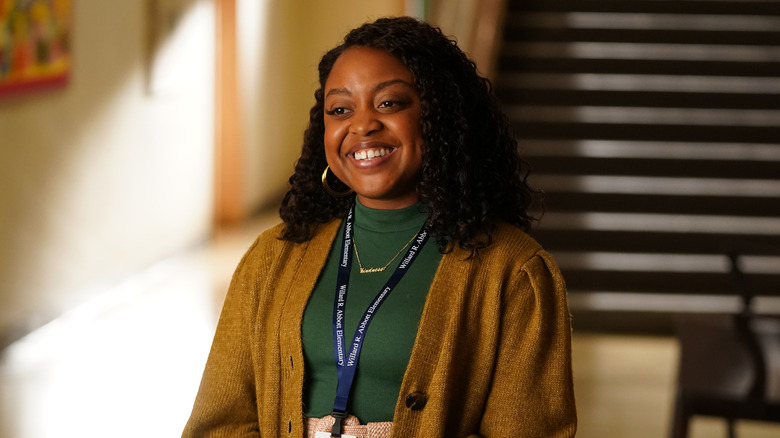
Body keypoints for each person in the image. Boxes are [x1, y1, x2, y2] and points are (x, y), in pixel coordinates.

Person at [183, 16, 576, 438]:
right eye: (340, 109)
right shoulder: (273, 255)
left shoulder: (514, 272)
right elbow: (220, 423)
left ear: (439, 115)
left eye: (389, 103)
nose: (362, 125)